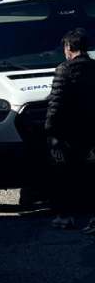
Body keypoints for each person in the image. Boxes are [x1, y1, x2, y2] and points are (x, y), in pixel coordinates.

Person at [45, 28, 95, 231]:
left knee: (65, 175)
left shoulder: (64, 70)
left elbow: (55, 104)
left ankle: (65, 217)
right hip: (92, 131)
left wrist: (50, 130)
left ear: (68, 47)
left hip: (70, 133)